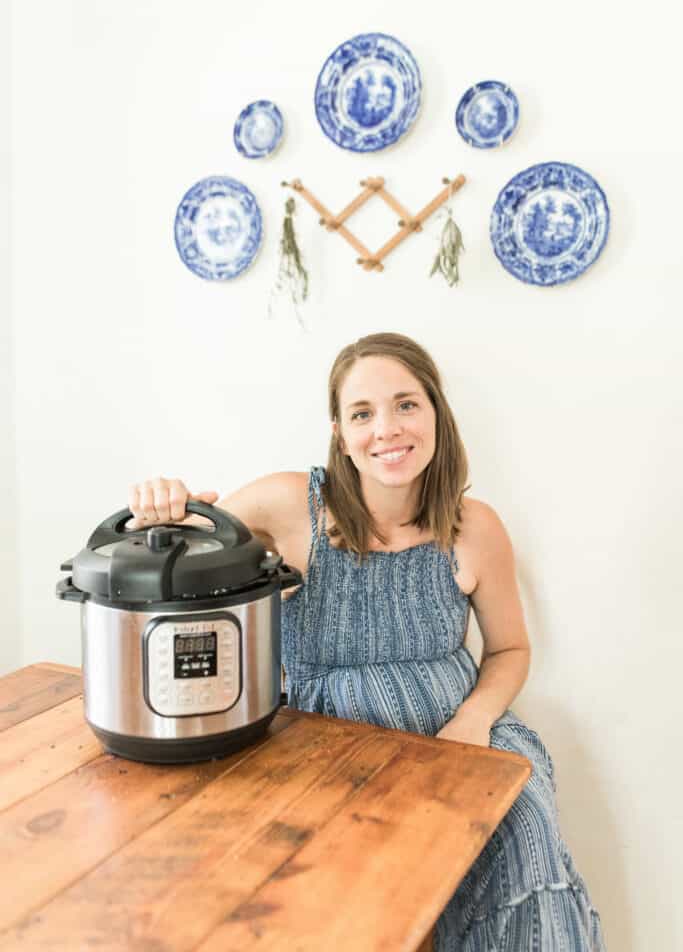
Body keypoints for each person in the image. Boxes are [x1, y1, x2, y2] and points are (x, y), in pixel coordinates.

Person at [128, 332, 605, 951]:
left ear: (436, 412)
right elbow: (181, 555)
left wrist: (473, 721)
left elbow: (510, 650)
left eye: (407, 404)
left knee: (525, 833)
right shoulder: (287, 504)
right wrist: (161, 510)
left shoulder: (475, 527)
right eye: (363, 413)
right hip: (318, 747)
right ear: (340, 431)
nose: (387, 429)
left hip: (456, 742)